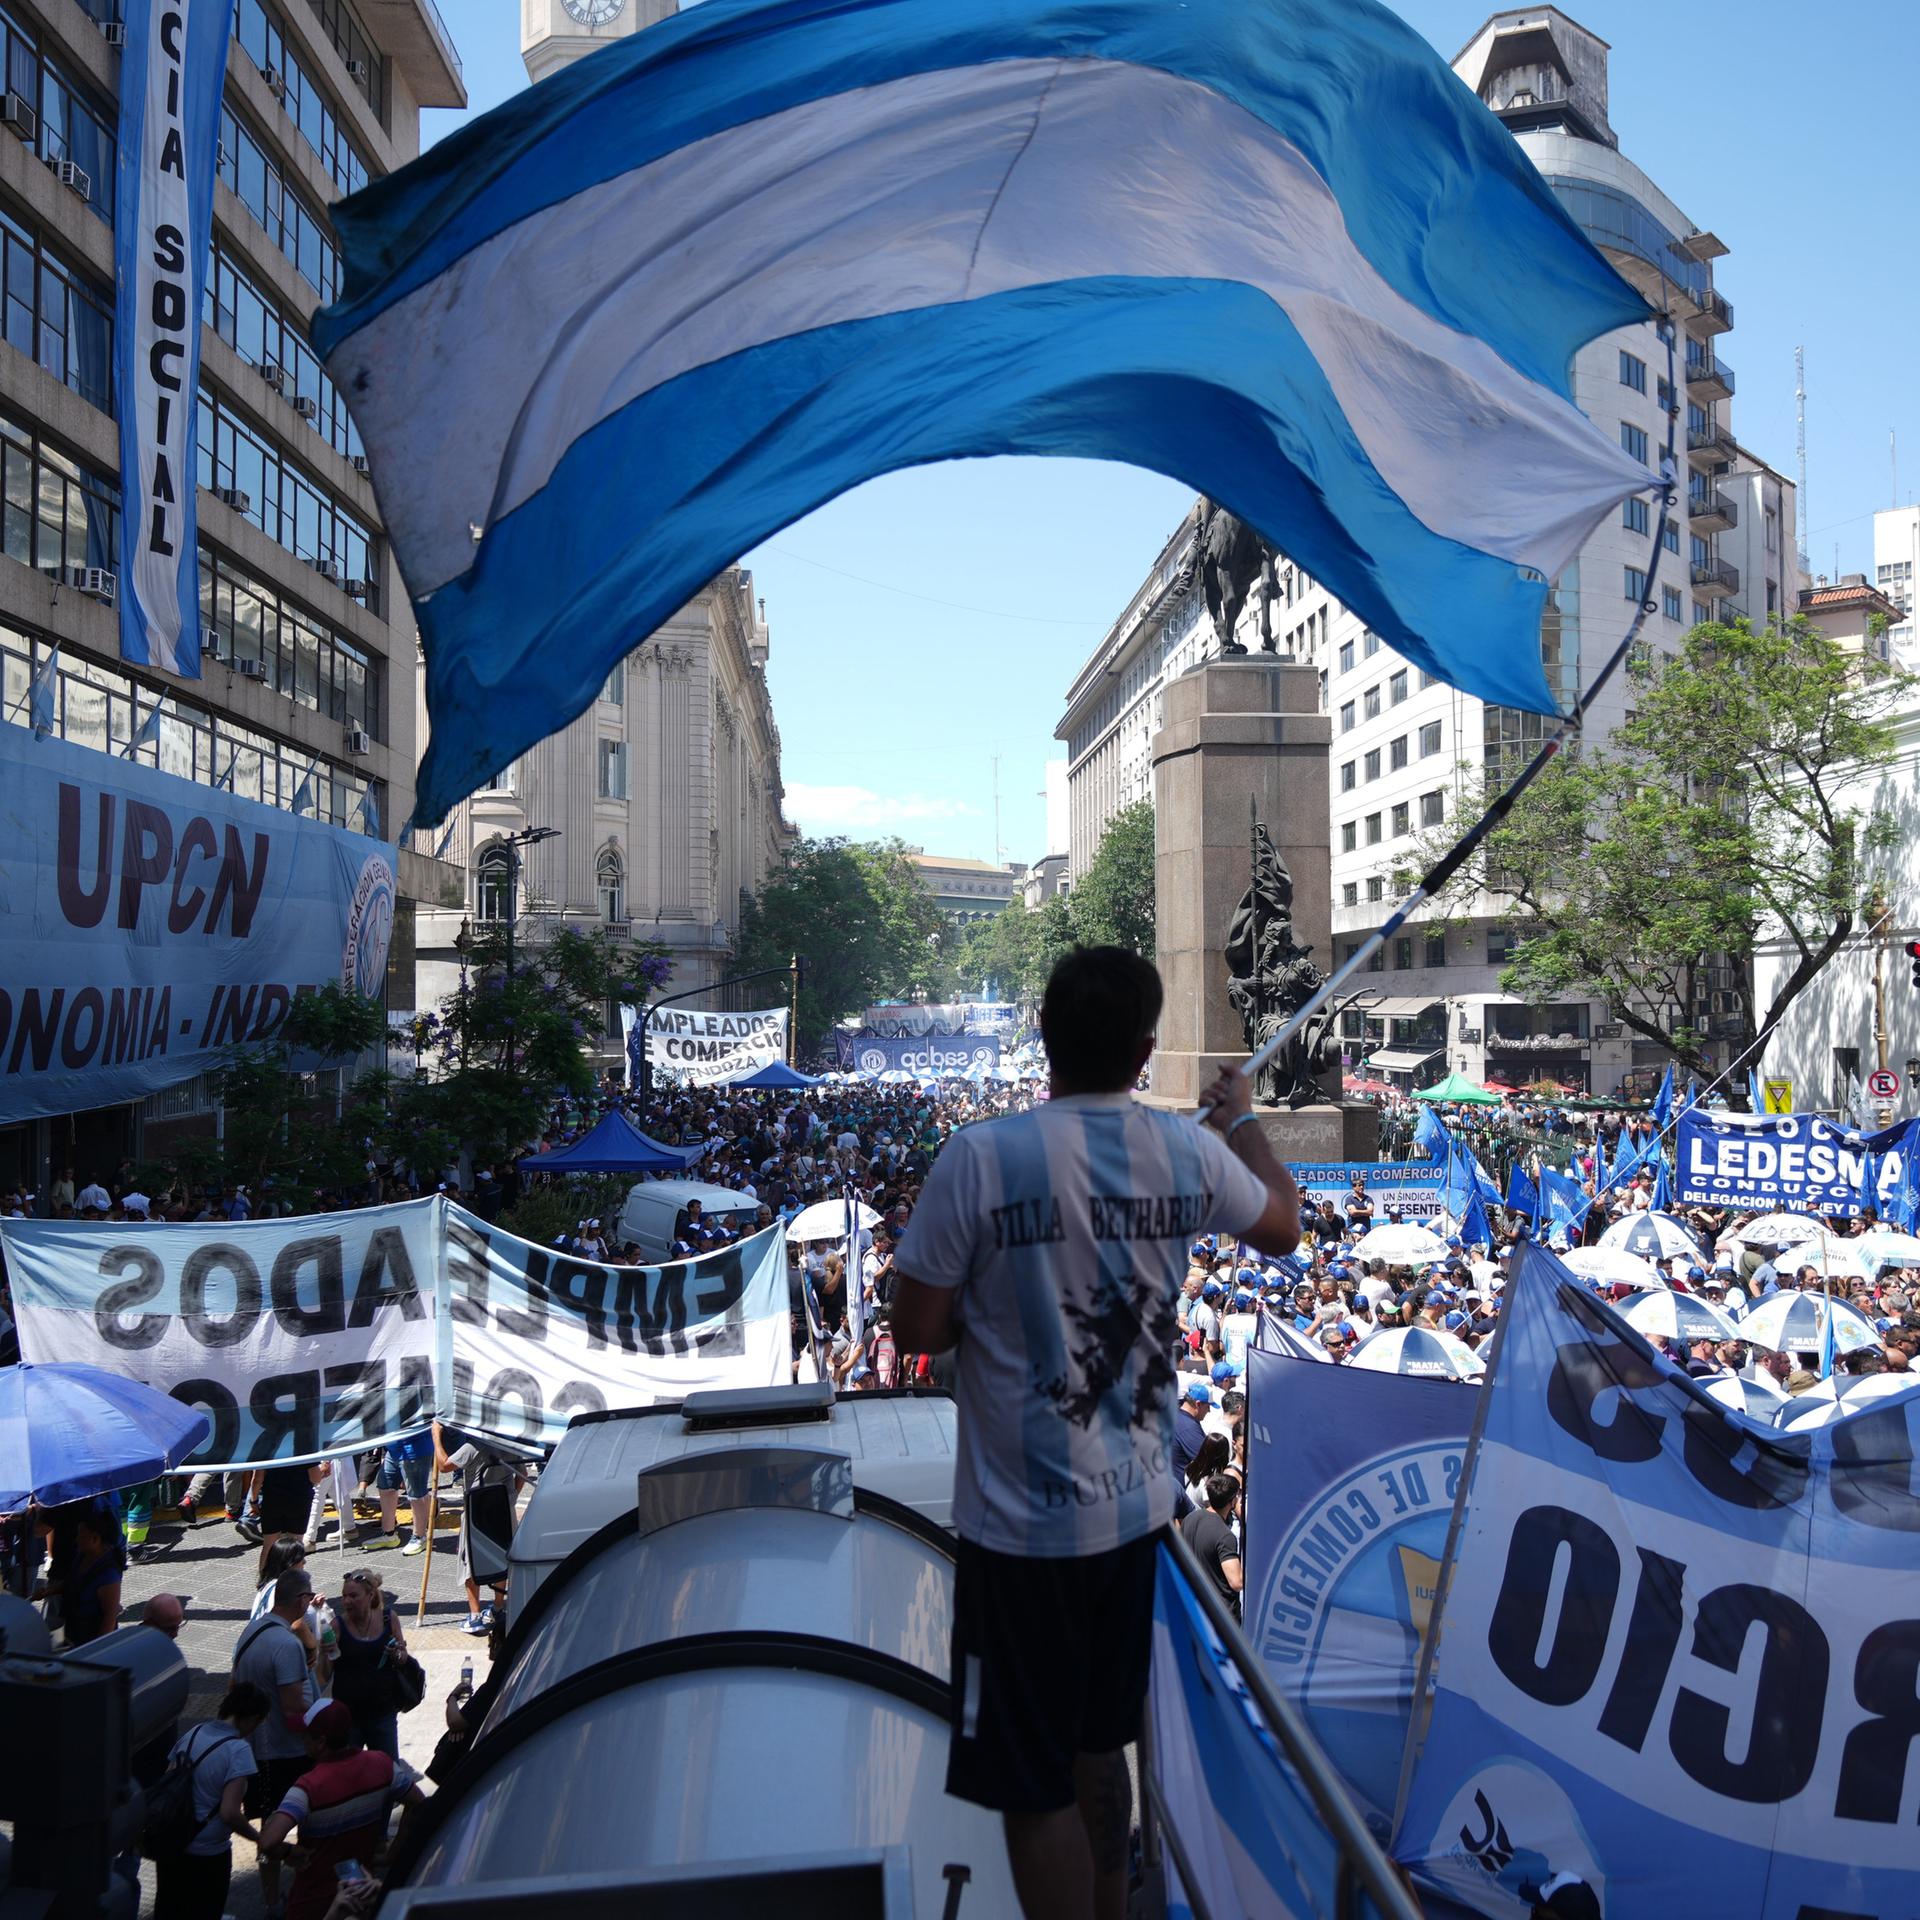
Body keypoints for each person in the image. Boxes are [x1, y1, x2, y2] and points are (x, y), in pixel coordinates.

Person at [889, 947, 1300, 1920]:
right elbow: (1282, 1223)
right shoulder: (1187, 1152)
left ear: (1045, 1040)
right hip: (1129, 1524)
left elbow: (917, 1328)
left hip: (1018, 1535)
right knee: (1098, 1751)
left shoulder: (980, 1159)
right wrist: (1240, 1124)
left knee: (1031, 1789)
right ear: (1148, 1051)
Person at [257, 1700, 426, 1920]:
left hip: (313, 1901)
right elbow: (418, 1803)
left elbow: (267, 1843)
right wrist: (392, 1854)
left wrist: (288, 1852)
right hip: (361, 1895)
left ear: (321, 1742)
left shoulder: (307, 1788)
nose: (302, 1739)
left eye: (306, 1734)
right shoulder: (383, 1764)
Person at [233, 1566, 331, 1916]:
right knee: (306, 1824)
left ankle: (270, 1900)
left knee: (267, 1828)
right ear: (302, 1600)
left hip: (258, 1751)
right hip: (288, 1753)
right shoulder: (285, 1644)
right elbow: (293, 1707)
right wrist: (327, 1719)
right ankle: (305, 1897)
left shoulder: (251, 1631)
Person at [153, 1681, 268, 1920]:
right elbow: (229, 1813)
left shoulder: (193, 1733)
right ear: (251, 1718)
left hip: (172, 1844)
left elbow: (168, 1780)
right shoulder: (238, 1750)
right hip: (208, 1853)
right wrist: (259, 1838)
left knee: (169, 1910)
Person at [328, 1568, 409, 1759]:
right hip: (348, 1718)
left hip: (383, 1714)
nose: (346, 1601)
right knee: (348, 1776)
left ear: (370, 1595)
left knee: (387, 1773)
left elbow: (403, 1658)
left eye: (353, 1596)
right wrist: (325, 1652)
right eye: (344, 1596)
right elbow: (323, 1675)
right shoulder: (337, 1626)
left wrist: (396, 1653)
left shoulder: (389, 1618)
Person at [1181, 1474, 1244, 1617]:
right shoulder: (1225, 1536)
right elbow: (1236, 1582)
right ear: (1232, 1500)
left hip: (1194, 1607)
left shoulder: (1190, 1519)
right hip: (1221, 1618)